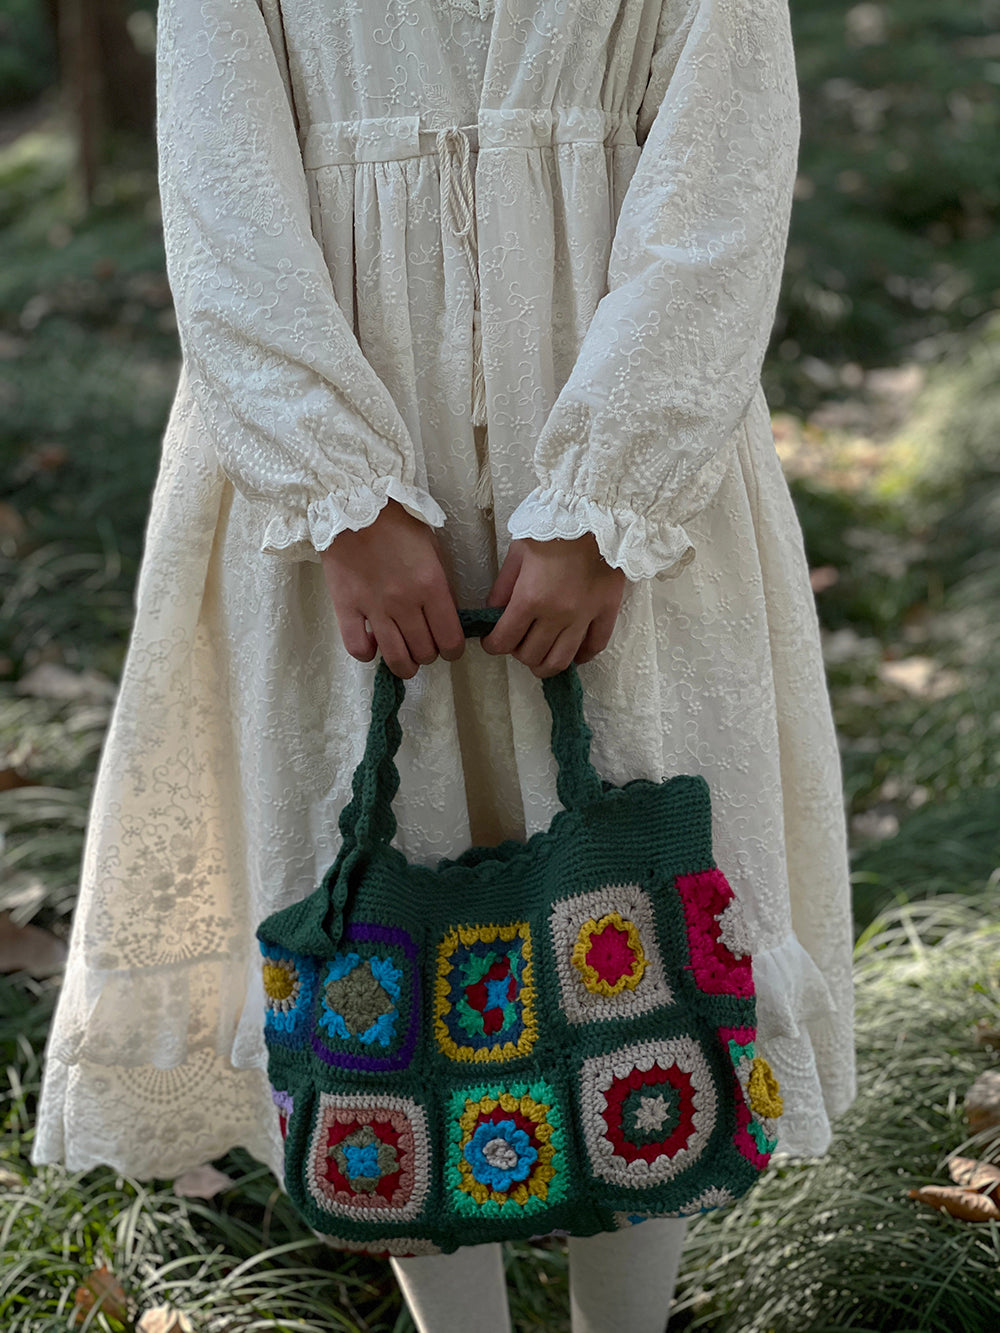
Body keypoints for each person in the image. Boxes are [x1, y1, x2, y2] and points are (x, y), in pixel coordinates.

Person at [32, 0, 857, 1327]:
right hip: (343, 448)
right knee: (385, 901)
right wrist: (341, 497)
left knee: (636, 909)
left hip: (612, 436)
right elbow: (224, 196)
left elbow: (721, 179)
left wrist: (608, 498)